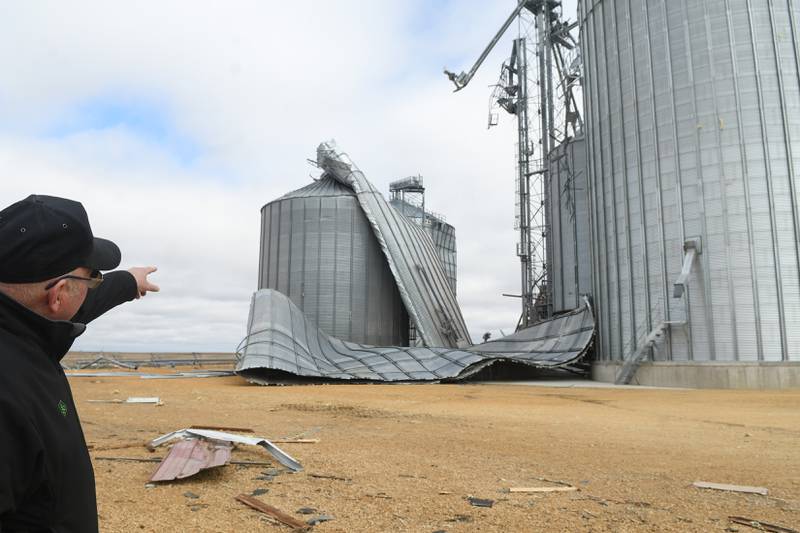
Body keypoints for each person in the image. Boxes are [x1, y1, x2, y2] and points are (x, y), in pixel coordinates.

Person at [0, 194, 159, 532]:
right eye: (93, 276)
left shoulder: (23, 322)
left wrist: (128, 281)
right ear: (58, 294)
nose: (95, 285)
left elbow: (79, 303)